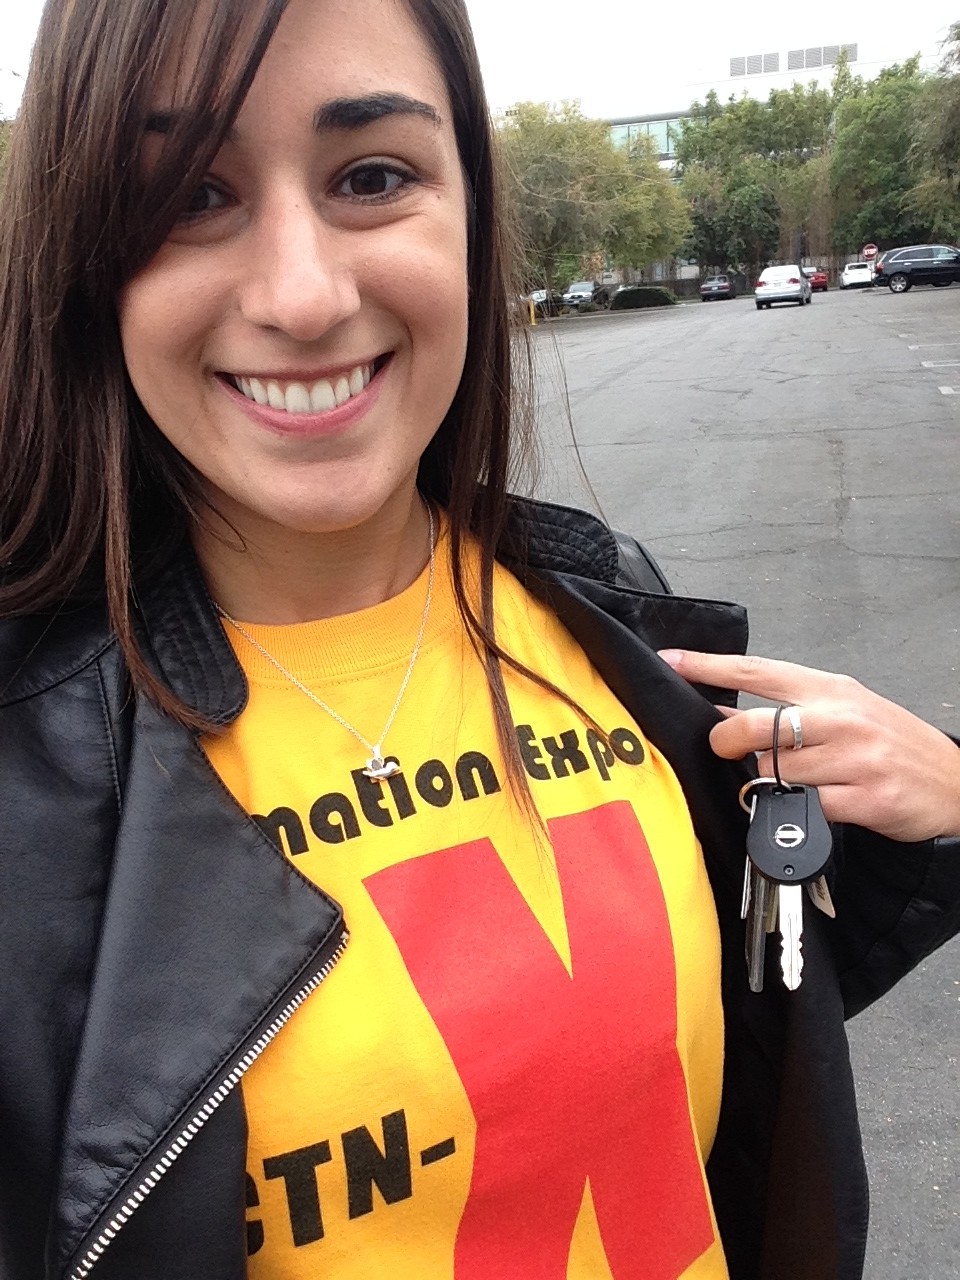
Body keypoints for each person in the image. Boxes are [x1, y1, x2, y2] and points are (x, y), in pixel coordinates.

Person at [0, 2, 958, 1278]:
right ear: (83, 256)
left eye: (371, 177)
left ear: (470, 209)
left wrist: (933, 815)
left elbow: (706, 1050)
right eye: (190, 196)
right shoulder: (29, 779)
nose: (302, 296)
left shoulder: (612, 616)